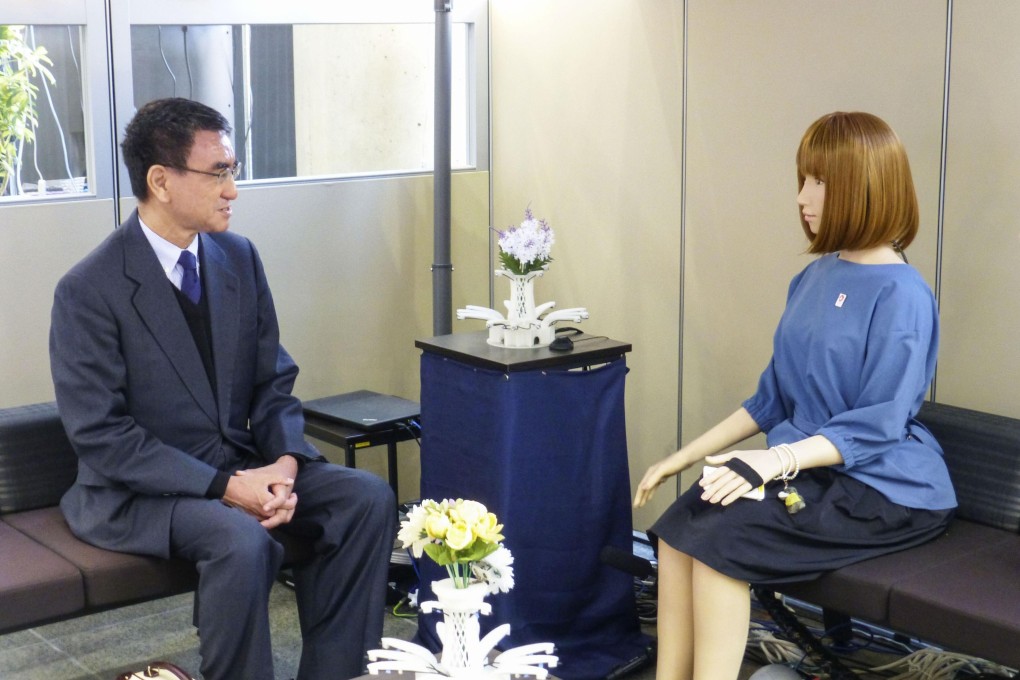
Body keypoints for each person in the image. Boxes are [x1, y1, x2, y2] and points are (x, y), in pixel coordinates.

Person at [49, 97, 396, 680]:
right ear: (160, 181)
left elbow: (273, 381)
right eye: (218, 173)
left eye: (232, 171)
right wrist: (226, 487)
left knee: (365, 499)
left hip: (243, 465)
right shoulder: (89, 289)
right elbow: (102, 436)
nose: (232, 190)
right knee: (240, 539)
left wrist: (284, 463)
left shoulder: (239, 257)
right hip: (141, 494)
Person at [633, 111, 957, 680]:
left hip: (886, 489)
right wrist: (681, 458)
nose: (803, 197)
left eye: (821, 181)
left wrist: (772, 461)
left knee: (720, 545)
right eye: (803, 178)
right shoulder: (812, 278)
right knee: (679, 532)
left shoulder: (903, 294)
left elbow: (877, 426)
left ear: (864, 187)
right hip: (813, 471)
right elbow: (773, 399)